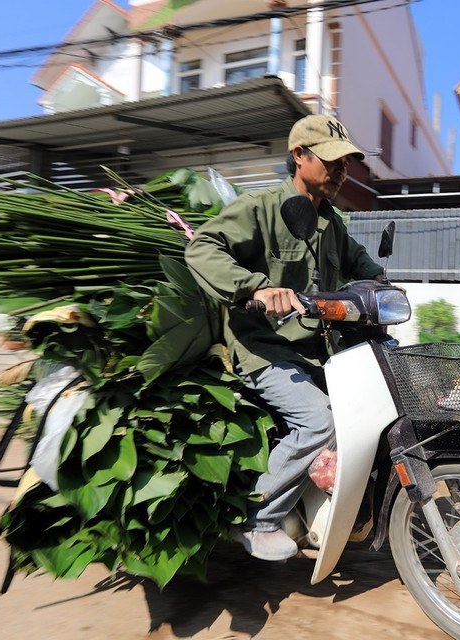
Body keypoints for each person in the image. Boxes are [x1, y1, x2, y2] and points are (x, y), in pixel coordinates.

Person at [184, 114, 384, 561]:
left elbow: (363, 266)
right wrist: (254, 287)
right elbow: (202, 248)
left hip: (317, 350)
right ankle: (260, 519)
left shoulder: (333, 223)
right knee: (320, 421)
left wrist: (383, 285)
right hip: (263, 349)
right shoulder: (261, 207)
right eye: (330, 161)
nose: (340, 171)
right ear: (299, 156)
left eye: (346, 163)